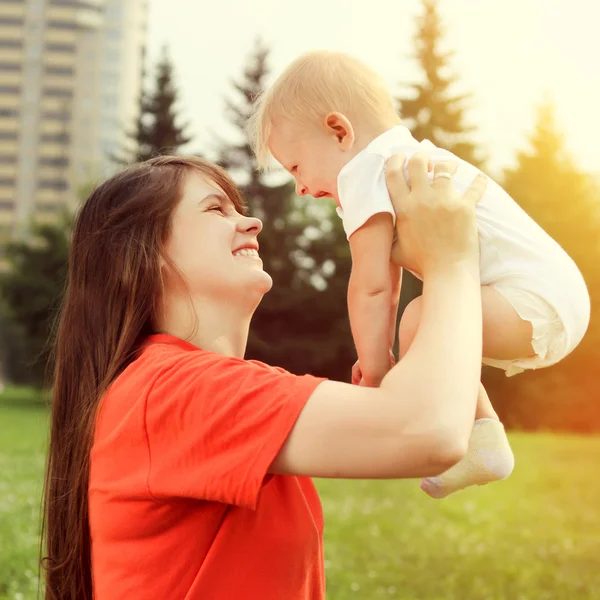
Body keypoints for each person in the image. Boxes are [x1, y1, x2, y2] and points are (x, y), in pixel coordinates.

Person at [42, 152, 486, 600]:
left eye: (239, 208)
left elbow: (420, 420)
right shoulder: (172, 388)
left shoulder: (200, 385)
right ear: (140, 254)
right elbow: (430, 433)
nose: (251, 223)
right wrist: (452, 261)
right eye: (216, 209)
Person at [247, 50, 591, 499]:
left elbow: (373, 286)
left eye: (296, 166)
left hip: (534, 300)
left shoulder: (366, 170)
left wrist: (374, 372)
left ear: (339, 131)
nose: (301, 187)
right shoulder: (403, 159)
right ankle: (483, 440)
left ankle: (482, 438)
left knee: (419, 321)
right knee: (428, 320)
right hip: (558, 295)